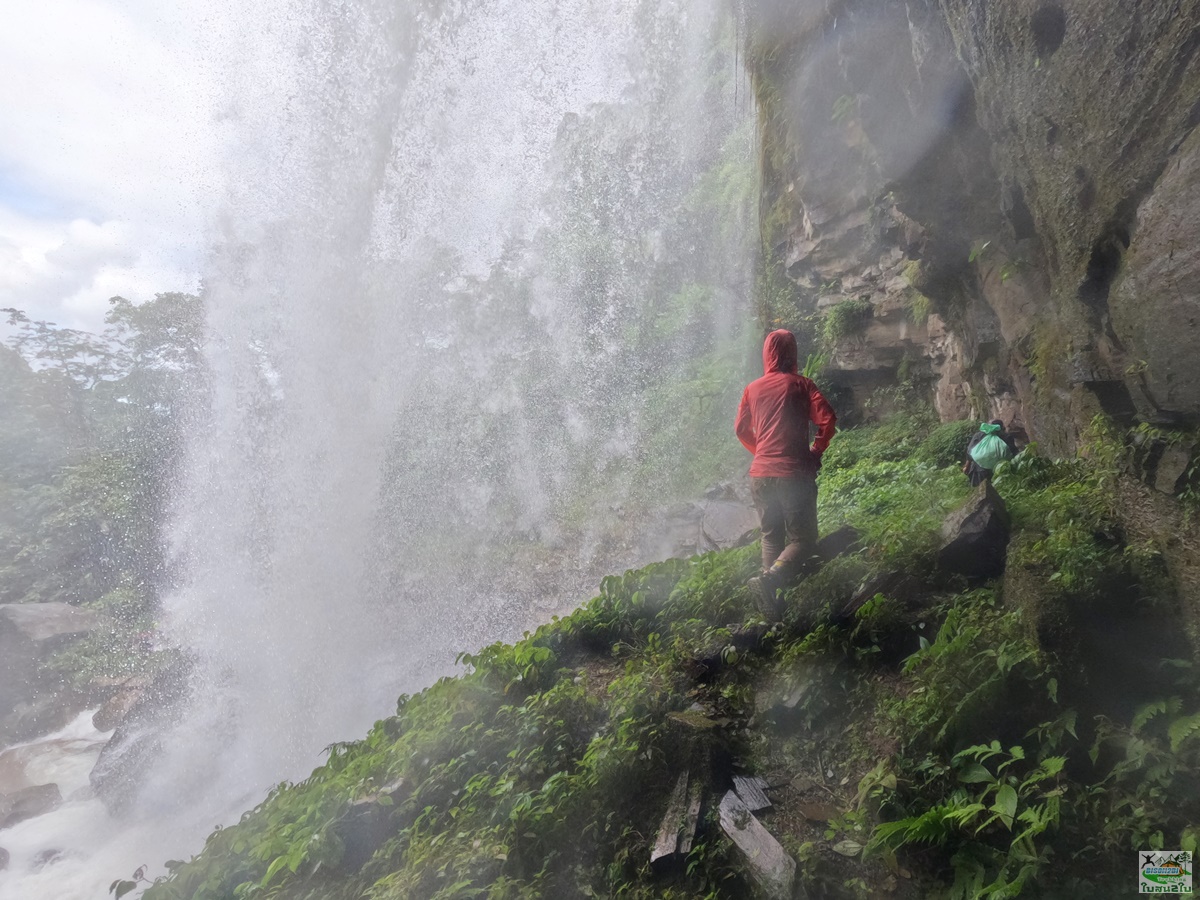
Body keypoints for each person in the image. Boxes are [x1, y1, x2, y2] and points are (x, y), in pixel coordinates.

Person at [735, 329, 837, 611]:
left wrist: (763, 453)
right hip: (792, 475)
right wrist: (815, 451)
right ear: (792, 353)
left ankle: (773, 607)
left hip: (760, 476)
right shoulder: (802, 385)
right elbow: (827, 420)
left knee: (770, 537)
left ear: (766, 353)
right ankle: (772, 579)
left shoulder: (752, 389)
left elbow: (740, 429)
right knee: (803, 540)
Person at [962, 419, 1017, 486]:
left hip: (979, 470)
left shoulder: (979, 435)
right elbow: (1013, 453)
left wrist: (967, 467)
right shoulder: (1007, 436)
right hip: (1000, 470)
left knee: (980, 490)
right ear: (1002, 427)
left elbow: (970, 452)